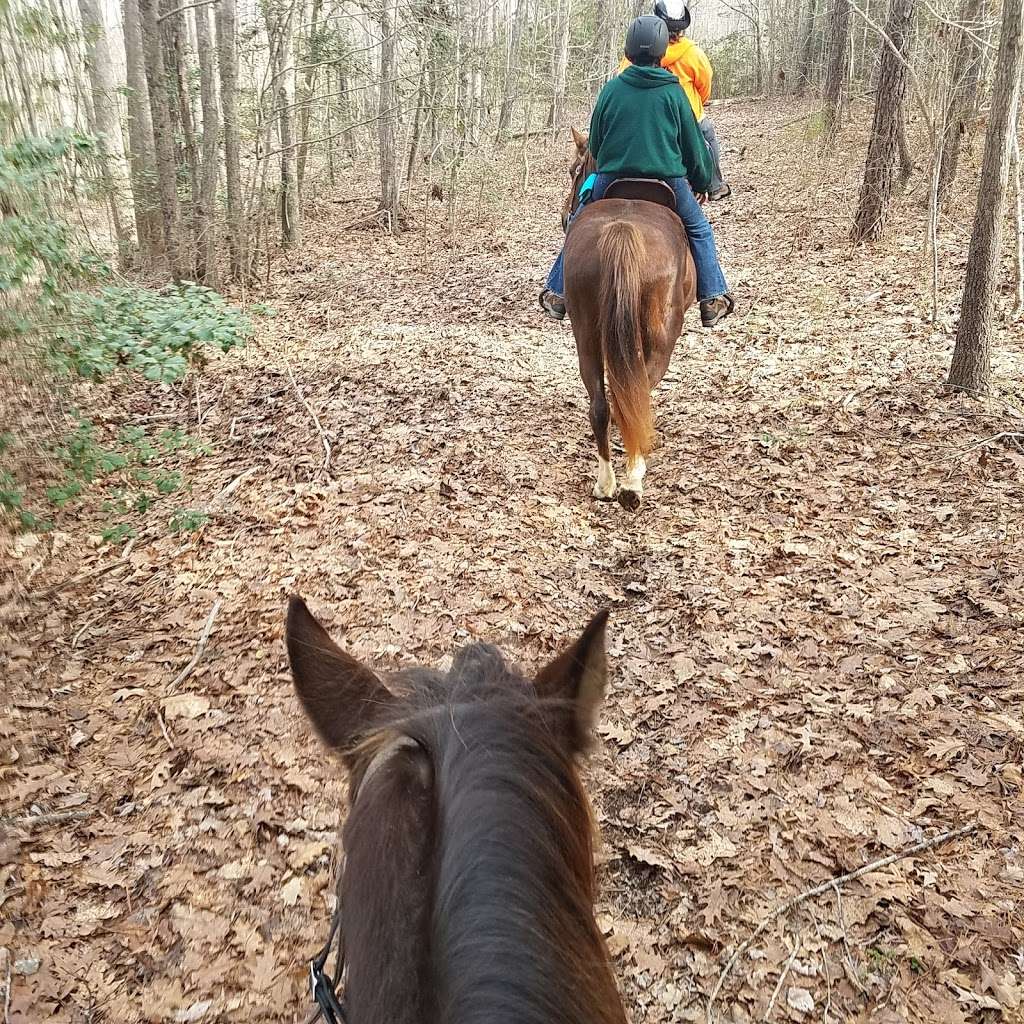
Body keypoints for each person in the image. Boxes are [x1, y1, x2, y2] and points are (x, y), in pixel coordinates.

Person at [540, 15, 734, 328]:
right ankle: (712, 296)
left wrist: (609, 162)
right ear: (661, 53)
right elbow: (694, 147)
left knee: (578, 222)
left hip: (613, 179)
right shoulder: (674, 93)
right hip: (667, 182)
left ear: (629, 51)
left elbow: (597, 146)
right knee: (698, 228)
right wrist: (700, 180)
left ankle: (558, 292)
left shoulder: (611, 89)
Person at [619, 0, 730, 200]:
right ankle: (714, 185)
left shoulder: (637, 51)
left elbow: (623, 77)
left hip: (643, 115)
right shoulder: (693, 53)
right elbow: (705, 84)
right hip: (686, 113)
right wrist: (697, 103)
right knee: (708, 136)